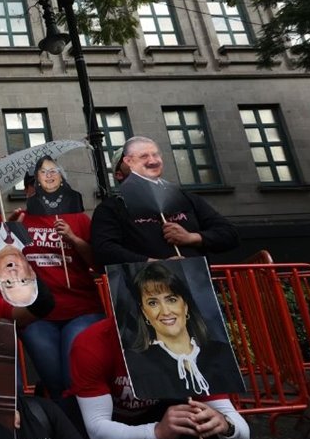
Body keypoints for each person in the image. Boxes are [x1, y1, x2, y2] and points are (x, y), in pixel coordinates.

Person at [70, 318, 249, 439]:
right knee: (69, 423)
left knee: (205, 420)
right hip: (103, 419)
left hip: (160, 412)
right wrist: (157, 432)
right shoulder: (92, 343)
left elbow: (243, 435)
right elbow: (99, 433)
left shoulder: (193, 342)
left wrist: (226, 425)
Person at [18, 156, 104, 409]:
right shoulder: (20, 220)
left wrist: (73, 239)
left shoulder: (77, 218)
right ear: (29, 189)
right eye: (36, 181)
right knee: (55, 383)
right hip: (38, 316)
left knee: (73, 380)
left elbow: (98, 265)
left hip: (81, 310)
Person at [91, 136, 239, 267]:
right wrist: (156, 265)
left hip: (199, 287)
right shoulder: (110, 209)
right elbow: (104, 250)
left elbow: (229, 234)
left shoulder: (186, 199)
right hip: (147, 292)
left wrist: (191, 238)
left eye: (153, 155)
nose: (150, 160)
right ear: (119, 174)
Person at [124, 262, 238, 400]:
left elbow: (225, 409)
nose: (165, 311)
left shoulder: (222, 352)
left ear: (185, 306)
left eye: (171, 300)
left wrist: (226, 420)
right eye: (153, 303)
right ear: (144, 312)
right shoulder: (135, 362)